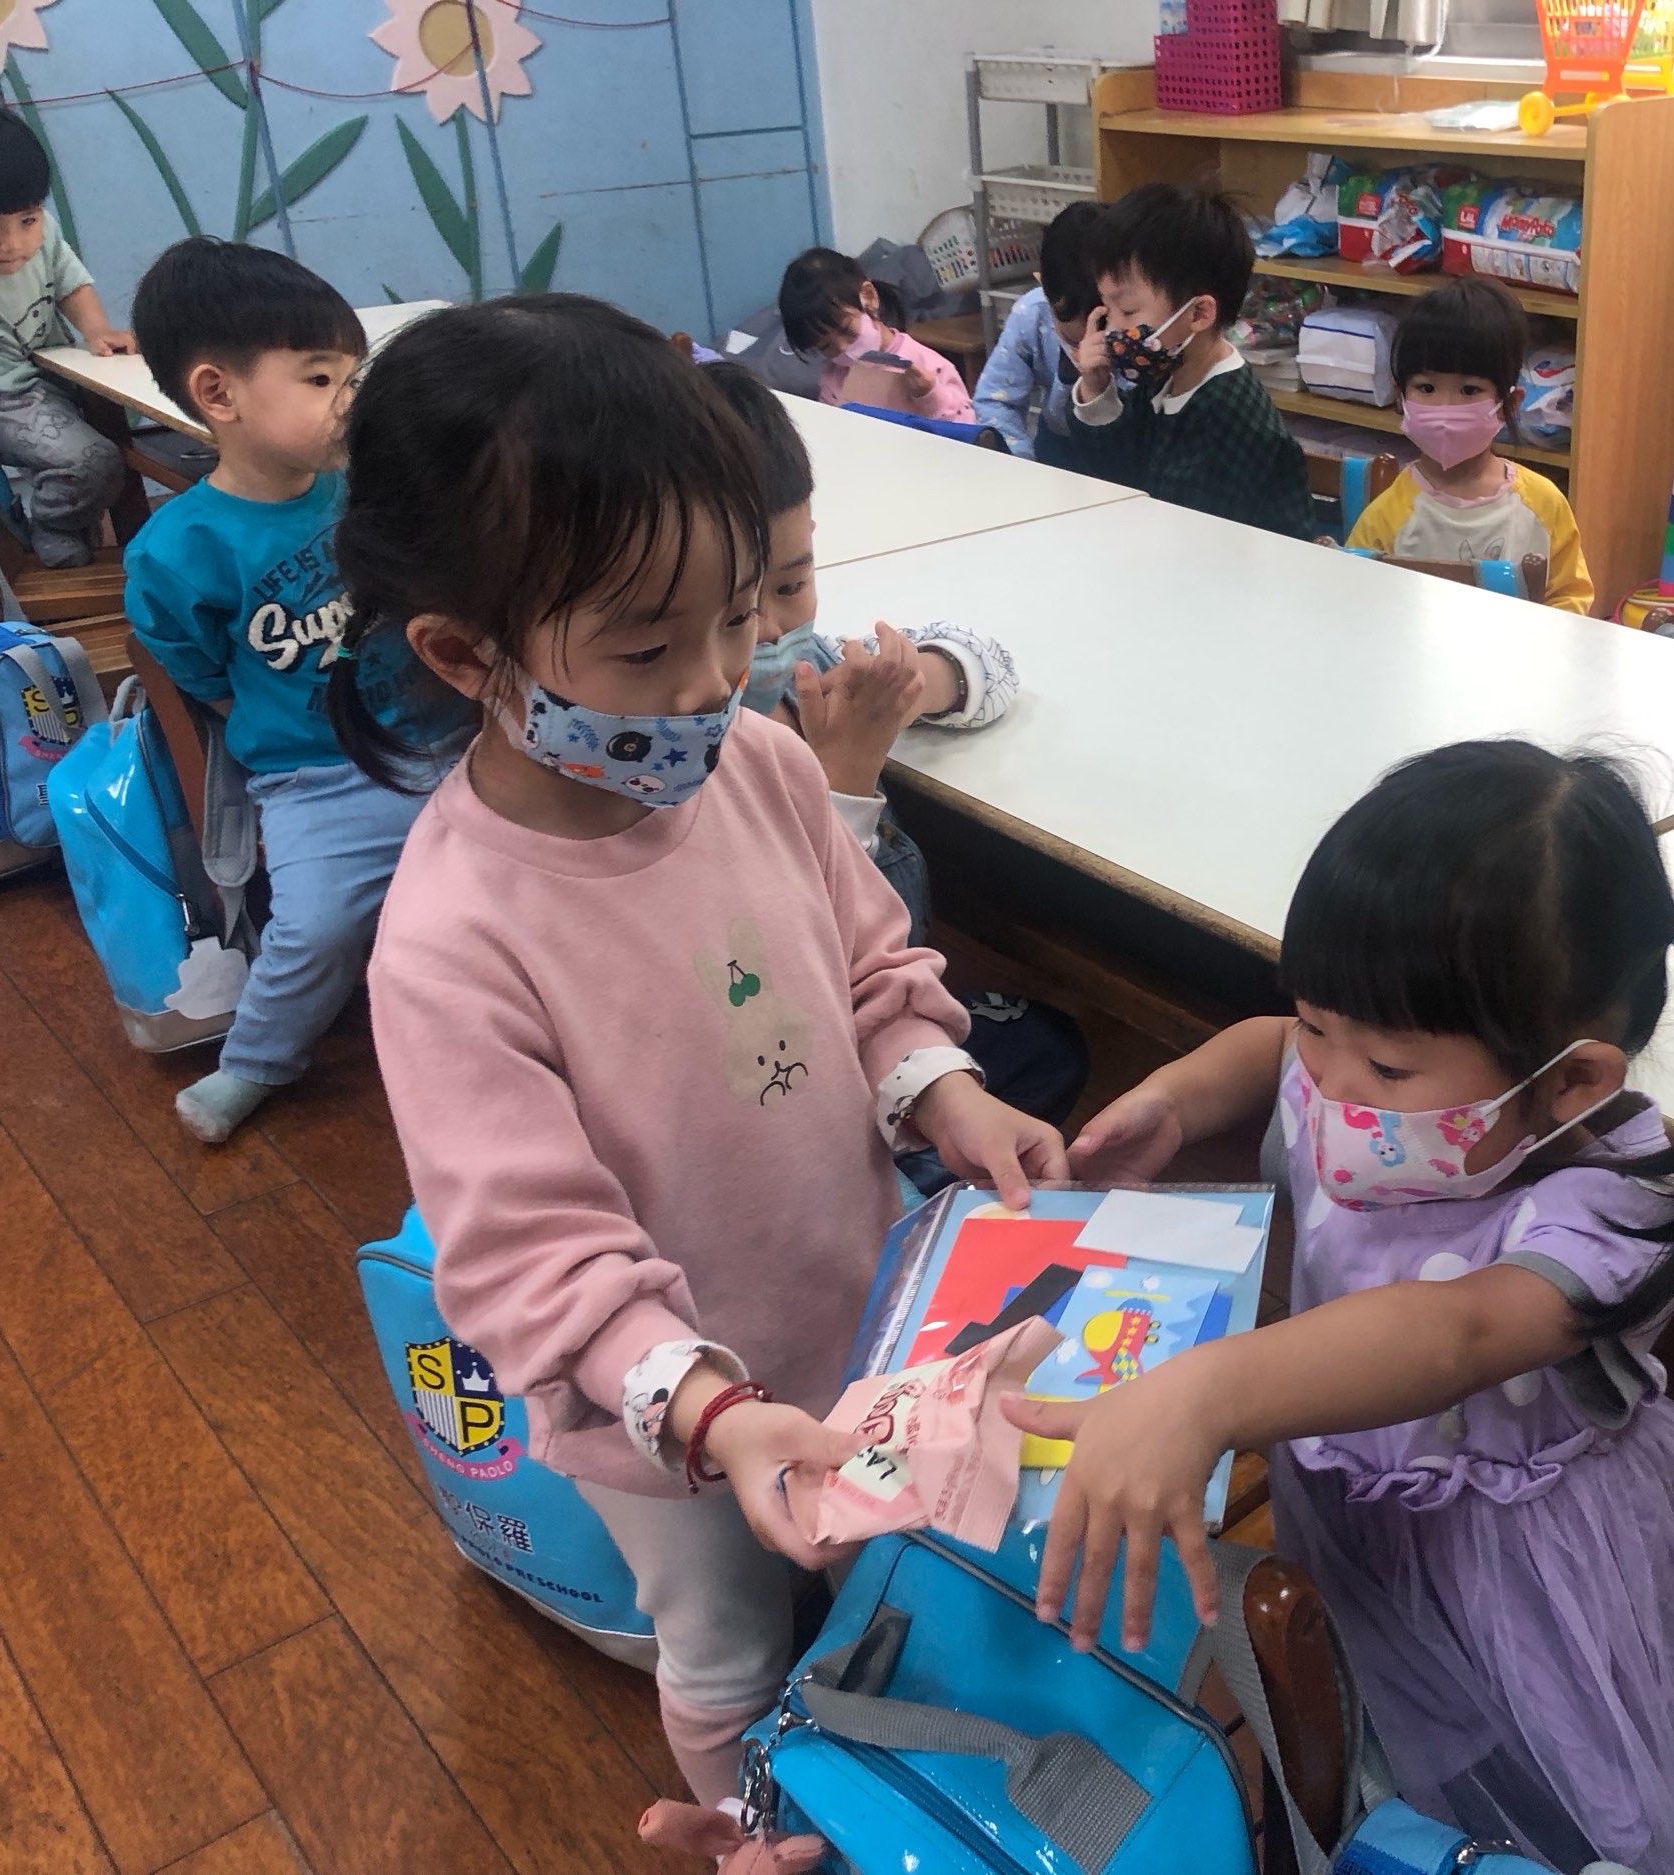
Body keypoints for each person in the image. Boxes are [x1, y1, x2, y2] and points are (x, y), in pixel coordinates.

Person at [332, 295, 1065, 1834]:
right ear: (466, 652)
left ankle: (886, 1786)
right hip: (662, 1420)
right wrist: (721, 1416)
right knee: (727, 1642)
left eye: (741, 613)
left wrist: (946, 1087)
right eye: (649, 644)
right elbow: (538, 1259)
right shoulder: (454, 937)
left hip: (857, 1302)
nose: (716, 678)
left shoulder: (768, 765)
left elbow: (866, 971)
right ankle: (767, 1829)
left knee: (887, 1573)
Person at [1011, 741, 1674, 1875]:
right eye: (1317, 1022)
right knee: (1397, 1727)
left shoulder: (1612, 1203)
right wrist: (1173, 1100)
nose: (1327, 1079)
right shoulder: (1354, 1069)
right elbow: (1270, 1050)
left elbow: (1458, 1332)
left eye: (1388, 1069)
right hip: (1354, 1506)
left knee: (1586, 1765)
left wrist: (1206, 1394)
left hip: (1528, 1567)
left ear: (1571, 1081)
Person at [704, 360, 1089, 1177]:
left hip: (884, 1028)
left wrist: (917, 685)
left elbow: (991, 661)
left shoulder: (808, 666)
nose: (769, 626)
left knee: (1045, 1047)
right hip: (792, 1069)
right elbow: (816, 971)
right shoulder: (683, 761)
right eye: (733, 605)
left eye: (793, 582)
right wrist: (846, 780)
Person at [125, 237, 430, 1145]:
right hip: (319, 777)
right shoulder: (179, 548)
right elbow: (195, 670)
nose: (351, 399)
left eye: (353, 374)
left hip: (443, 738)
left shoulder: (368, 485)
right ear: (219, 395)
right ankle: (256, 1061)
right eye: (321, 378)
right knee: (317, 926)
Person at [1068, 182, 1312, 538]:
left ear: (1198, 313)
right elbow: (1115, 476)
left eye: (1128, 310)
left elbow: (1189, 535)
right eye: (1108, 309)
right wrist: (1096, 390)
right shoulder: (1163, 375)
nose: (1113, 328)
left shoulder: (1231, 417)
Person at [1344, 277, 1592, 613]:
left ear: (1509, 404)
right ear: (1400, 398)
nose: (1446, 407)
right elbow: (1357, 602)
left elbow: (1570, 598)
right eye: (1427, 388)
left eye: (1470, 390)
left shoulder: (1544, 505)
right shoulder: (1385, 517)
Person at [0, 106, 131, 568]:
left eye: (27, 220)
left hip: (52, 371)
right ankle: (51, 524)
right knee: (93, 461)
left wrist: (98, 331)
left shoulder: (44, 232)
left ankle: (77, 521)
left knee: (109, 447)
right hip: (1, 397)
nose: (11, 243)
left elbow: (70, 281)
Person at [740, 244, 975, 423]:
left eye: (846, 330)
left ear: (869, 298)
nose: (843, 349)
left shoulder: (928, 365)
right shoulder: (834, 378)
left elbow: (969, 434)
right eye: (826, 347)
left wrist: (930, 396)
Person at [976, 201, 1103, 469]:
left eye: (1103, 325)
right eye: (1073, 340)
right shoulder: (1032, 313)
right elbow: (995, 402)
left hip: (1121, 454)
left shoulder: (1136, 329)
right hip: (1055, 447)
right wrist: (1020, 463)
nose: (1085, 347)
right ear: (1044, 286)